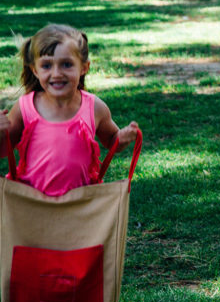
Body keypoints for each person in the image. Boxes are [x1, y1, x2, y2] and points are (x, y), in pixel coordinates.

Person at [0, 24, 139, 196]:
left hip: (79, 204)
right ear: (35, 70)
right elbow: (3, 150)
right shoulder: (25, 108)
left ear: (84, 67)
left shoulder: (94, 107)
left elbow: (111, 141)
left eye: (66, 64)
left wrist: (121, 138)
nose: (57, 73)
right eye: (46, 66)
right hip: (32, 204)